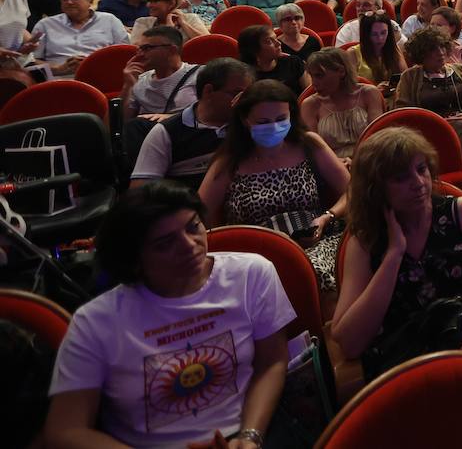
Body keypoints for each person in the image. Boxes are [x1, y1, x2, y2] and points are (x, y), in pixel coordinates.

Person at [44, 182, 295, 449]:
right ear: (134, 259)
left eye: (193, 227)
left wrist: (250, 436)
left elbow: (272, 362)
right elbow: (66, 430)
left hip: (247, 433)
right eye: (165, 244)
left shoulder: (251, 275)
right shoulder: (95, 322)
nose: (189, 245)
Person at [331, 127, 462, 401]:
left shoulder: (459, 212)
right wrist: (394, 255)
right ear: (376, 189)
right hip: (413, 366)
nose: (418, 182)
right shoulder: (365, 241)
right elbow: (350, 343)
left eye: (421, 169)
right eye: (401, 177)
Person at [198, 79, 349, 292]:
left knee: (316, 271)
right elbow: (200, 213)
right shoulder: (230, 161)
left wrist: (328, 216)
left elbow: (352, 191)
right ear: (245, 120)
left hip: (318, 239)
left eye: (281, 119)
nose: (274, 127)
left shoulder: (308, 144)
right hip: (257, 251)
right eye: (262, 121)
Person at [129, 58, 255, 188]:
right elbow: (140, 190)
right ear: (208, 91)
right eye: (237, 94)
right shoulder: (166, 132)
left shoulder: (251, 125)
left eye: (247, 95)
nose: (243, 101)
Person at [395, 27, 462, 167]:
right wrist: (436, 122)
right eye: (433, 50)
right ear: (421, 55)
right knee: (457, 127)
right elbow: (404, 112)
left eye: (442, 47)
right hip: (428, 132)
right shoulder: (410, 77)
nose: (440, 53)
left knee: (460, 126)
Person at [301, 48, 385, 160]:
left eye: (319, 76)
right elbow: (314, 150)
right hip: (331, 166)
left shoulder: (369, 93)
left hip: (370, 160)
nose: (314, 83)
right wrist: (339, 163)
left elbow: (377, 138)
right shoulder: (310, 105)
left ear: (341, 71)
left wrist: (357, 161)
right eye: (312, 76)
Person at [32, 0, 129, 75]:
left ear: (90, 1)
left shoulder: (109, 20)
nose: (69, 2)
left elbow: (124, 53)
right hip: (60, 79)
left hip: (102, 76)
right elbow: (31, 59)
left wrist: (96, 65)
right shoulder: (45, 24)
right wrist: (57, 68)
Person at [237, 23, 305, 94]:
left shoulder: (293, 62)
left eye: (276, 38)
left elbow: (308, 93)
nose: (278, 43)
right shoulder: (244, 75)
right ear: (254, 49)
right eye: (269, 41)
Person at [347, 12, 406, 90]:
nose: (380, 38)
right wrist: (374, 89)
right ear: (366, 35)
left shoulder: (394, 49)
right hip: (365, 98)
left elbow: (405, 78)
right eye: (374, 34)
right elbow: (349, 88)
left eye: (383, 33)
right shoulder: (352, 53)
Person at [130, 0, 209, 44]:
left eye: (154, 1)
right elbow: (136, 47)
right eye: (148, 1)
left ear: (171, 3)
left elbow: (207, 42)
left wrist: (183, 23)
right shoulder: (142, 22)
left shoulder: (191, 18)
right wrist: (168, 30)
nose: (149, 5)